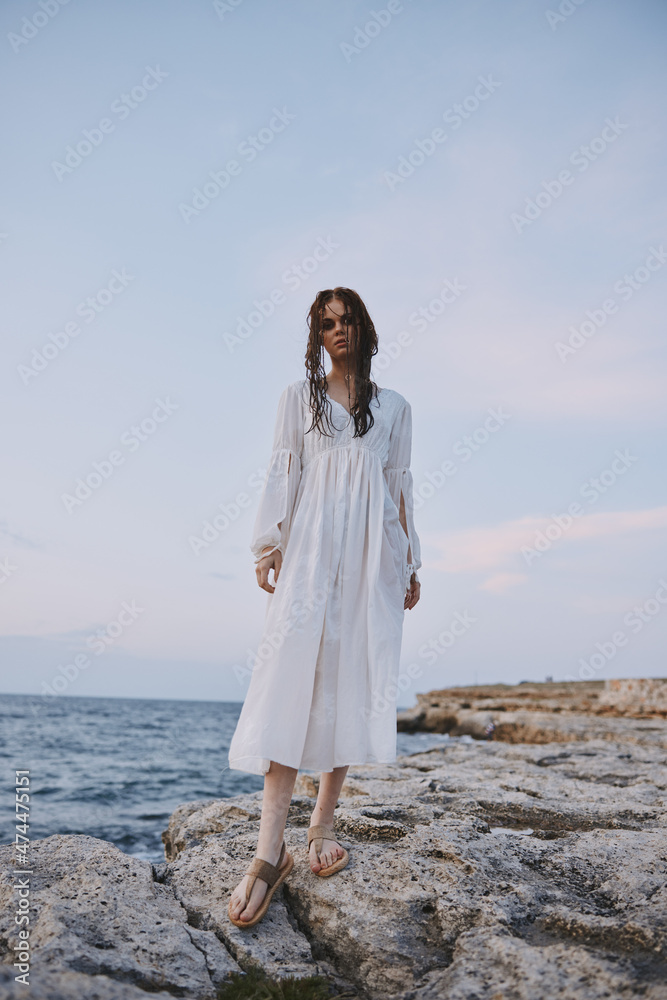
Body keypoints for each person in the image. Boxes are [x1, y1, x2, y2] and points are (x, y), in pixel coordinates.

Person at [227, 287, 422, 928]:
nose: (339, 331)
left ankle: (324, 822)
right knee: (290, 677)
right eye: (327, 323)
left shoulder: (395, 408)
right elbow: (282, 472)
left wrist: (410, 562)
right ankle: (268, 848)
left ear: (366, 327)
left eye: (349, 321)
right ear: (317, 335)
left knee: (347, 676)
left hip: (370, 562)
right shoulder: (299, 398)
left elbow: (397, 490)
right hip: (310, 554)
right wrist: (268, 542)